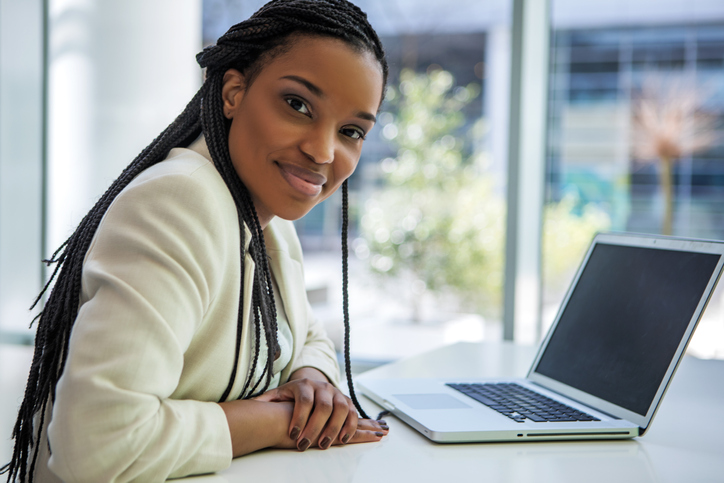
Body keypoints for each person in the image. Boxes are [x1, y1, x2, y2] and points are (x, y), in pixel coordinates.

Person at [1, 0, 390, 481]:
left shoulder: (267, 218)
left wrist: (310, 380)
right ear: (233, 91)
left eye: (351, 131)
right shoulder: (179, 201)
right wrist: (278, 421)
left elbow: (305, 333)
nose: (322, 150)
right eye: (298, 105)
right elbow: (97, 447)